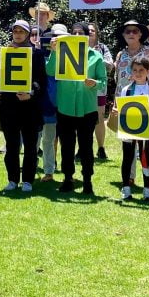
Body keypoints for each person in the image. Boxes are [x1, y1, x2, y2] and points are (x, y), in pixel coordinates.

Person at [46, 22, 107, 194]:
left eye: (82, 33)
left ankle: (87, 180)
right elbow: (50, 71)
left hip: (87, 109)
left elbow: (103, 81)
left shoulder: (96, 56)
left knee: (86, 146)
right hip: (65, 107)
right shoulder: (61, 53)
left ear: (88, 36)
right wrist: (53, 52)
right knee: (67, 146)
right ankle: (67, 178)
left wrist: (95, 83)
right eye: (75, 32)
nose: (78, 35)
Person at [114, 20, 149, 190]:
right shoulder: (120, 55)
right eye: (128, 31)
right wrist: (116, 105)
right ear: (123, 35)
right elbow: (118, 82)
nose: (131, 34)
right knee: (128, 144)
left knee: (148, 146)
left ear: (141, 34)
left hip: (148, 105)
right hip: (127, 106)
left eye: (135, 31)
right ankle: (129, 177)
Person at [0, 20, 47, 192]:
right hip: (9, 106)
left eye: (21, 31)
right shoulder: (6, 52)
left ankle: (27, 180)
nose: (18, 34)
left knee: (30, 145)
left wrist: (31, 93)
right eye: (15, 31)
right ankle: (12, 179)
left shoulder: (37, 54)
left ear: (28, 33)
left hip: (30, 106)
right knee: (11, 145)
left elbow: (42, 81)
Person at [38, 25, 65, 183]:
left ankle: (49, 171)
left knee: (50, 138)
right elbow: (48, 71)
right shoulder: (39, 55)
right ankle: (34, 167)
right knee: (38, 138)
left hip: (60, 103)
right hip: (41, 102)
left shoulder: (70, 57)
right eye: (53, 36)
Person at [85, 22, 113, 160]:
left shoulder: (102, 48)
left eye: (92, 30)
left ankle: (101, 148)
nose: (90, 32)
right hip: (83, 89)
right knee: (83, 120)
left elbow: (110, 66)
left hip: (99, 90)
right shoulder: (79, 47)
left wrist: (97, 57)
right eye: (87, 30)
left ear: (97, 33)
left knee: (99, 119)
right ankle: (83, 148)